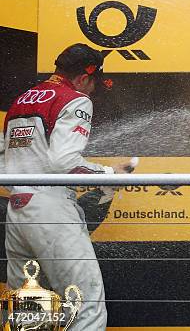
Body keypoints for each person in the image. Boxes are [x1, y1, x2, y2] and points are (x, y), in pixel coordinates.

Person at [2, 43, 134, 330]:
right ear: (85, 78)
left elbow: (3, 160)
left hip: (17, 211)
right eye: (94, 85)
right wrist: (109, 174)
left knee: (29, 311)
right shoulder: (75, 99)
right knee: (86, 304)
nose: (92, 92)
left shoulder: (21, 101)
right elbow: (64, 161)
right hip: (52, 211)